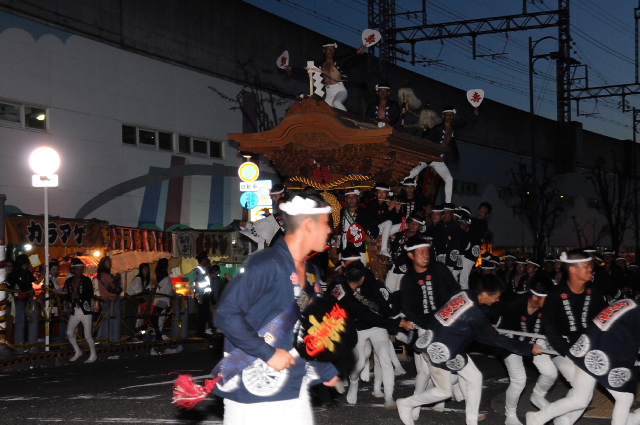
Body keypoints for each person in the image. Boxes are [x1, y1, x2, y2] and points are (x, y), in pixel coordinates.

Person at [213, 192, 340, 425]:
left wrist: (326, 369)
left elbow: (308, 327)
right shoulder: (264, 262)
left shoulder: (312, 273)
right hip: (254, 393)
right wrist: (268, 353)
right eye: (325, 223)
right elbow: (226, 315)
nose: (330, 230)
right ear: (309, 225)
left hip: (294, 387)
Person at [396, 274, 542, 425]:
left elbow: (466, 318)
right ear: (484, 294)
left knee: (475, 378)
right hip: (438, 351)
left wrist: (482, 326)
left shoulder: (464, 293)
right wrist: (528, 348)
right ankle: (406, 403)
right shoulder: (473, 315)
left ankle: (471, 421)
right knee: (444, 392)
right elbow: (496, 339)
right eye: (497, 297)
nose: (498, 300)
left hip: (448, 345)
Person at [527, 296, 640, 425]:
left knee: (580, 399)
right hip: (604, 355)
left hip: (588, 348)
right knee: (625, 398)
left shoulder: (627, 302)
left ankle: (537, 418)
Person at [538, 249, 608, 424]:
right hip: (561, 348)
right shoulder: (556, 294)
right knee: (581, 389)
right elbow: (549, 327)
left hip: (585, 348)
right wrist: (566, 351)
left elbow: (603, 321)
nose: (591, 269)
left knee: (585, 392)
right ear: (573, 269)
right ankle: (544, 418)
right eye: (586, 266)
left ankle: (562, 420)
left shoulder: (595, 292)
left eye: (591, 266)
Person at [399, 235, 461, 421]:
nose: (425, 255)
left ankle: (443, 399)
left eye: (427, 251)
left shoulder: (440, 269)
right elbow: (408, 308)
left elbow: (456, 292)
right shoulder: (407, 279)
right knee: (425, 371)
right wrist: (425, 326)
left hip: (447, 326)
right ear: (411, 255)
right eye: (421, 252)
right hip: (425, 328)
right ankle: (414, 406)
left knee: (452, 365)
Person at [335, 261, 413, 409]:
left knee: (385, 358)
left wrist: (394, 322)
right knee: (359, 362)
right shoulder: (340, 288)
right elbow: (360, 314)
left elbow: (384, 306)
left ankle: (389, 397)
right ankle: (354, 383)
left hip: (377, 325)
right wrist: (397, 324)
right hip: (358, 328)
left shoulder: (372, 283)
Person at [493, 275, 557, 425]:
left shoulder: (548, 307)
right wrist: (527, 348)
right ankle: (510, 415)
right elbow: (501, 336)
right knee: (519, 381)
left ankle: (537, 396)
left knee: (550, 373)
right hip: (511, 344)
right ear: (535, 297)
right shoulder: (512, 305)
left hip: (534, 339)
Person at [424, 105, 479, 203]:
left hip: (439, 160)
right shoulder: (438, 128)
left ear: (454, 116)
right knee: (414, 171)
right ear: (443, 116)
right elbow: (426, 139)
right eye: (447, 115)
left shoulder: (453, 126)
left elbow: (463, 121)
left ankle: (448, 203)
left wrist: (474, 113)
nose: (449, 117)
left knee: (449, 179)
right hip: (430, 156)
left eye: (451, 115)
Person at [65, 257, 97, 363]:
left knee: (87, 335)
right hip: (75, 310)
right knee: (69, 332)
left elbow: (90, 293)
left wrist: (79, 296)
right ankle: (77, 351)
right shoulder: (69, 281)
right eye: (77, 269)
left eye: (81, 269)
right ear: (73, 270)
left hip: (85, 310)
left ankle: (93, 354)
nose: (79, 271)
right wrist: (67, 301)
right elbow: (68, 293)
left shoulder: (86, 280)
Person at [365, 183, 401, 258]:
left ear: (387, 194)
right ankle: (384, 249)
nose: (381, 195)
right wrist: (389, 209)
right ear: (376, 193)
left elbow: (394, 221)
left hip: (384, 229)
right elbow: (376, 221)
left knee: (403, 224)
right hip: (374, 230)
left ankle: (393, 246)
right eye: (379, 192)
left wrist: (397, 210)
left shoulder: (386, 204)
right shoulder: (371, 204)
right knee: (388, 223)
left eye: (384, 192)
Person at [338, 189, 373, 264]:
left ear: (358, 198)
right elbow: (340, 229)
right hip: (344, 242)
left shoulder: (364, 211)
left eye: (353, 197)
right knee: (344, 265)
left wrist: (371, 236)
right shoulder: (343, 211)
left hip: (358, 242)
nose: (351, 200)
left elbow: (372, 226)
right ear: (345, 199)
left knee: (360, 266)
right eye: (349, 197)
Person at [96, 256, 122, 342]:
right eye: (108, 262)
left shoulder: (101, 275)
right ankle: (113, 340)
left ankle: (105, 340)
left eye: (110, 262)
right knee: (114, 321)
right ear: (104, 264)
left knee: (105, 321)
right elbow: (115, 288)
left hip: (105, 300)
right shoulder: (106, 275)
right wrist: (117, 279)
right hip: (111, 300)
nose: (110, 264)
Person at [127, 263, 153, 329]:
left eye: (147, 269)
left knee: (135, 317)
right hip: (130, 299)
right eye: (144, 269)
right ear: (141, 270)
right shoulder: (138, 279)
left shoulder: (146, 279)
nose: (147, 270)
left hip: (136, 299)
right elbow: (138, 292)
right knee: (131, 318)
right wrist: (146, 291)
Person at [153, 258, 174, 340]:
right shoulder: (166, 279)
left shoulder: (165, 279)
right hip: (162, 300)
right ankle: (158, 334)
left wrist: (156, 286)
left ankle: (158, 335)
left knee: (155, 317)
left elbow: (164, 292)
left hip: (162, 300)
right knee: (159, 318)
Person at [193, 251, 213, 337]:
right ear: (203, 260)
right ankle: (200, 332)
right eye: (206, 259)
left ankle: (202, 332)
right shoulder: (198, 269)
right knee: (202, 314)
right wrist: (197, 294)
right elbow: (197, 281)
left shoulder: (204, 269)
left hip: (205, 294)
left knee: (205, 314)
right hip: (202, 294)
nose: (207, 261)